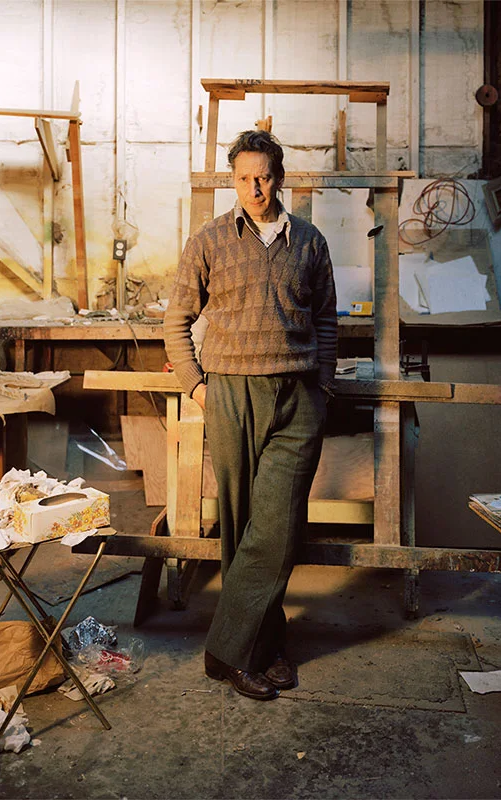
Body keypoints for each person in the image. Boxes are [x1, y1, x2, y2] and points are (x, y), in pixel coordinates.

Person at [163, 129, 337, 700]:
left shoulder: (309, 242)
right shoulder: (209, 240)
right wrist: (196, 386)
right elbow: (177, 321)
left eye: (263, 176)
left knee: (278, 527)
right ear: (232, 180)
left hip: (298, 394)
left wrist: (324, 387)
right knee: (241, 527)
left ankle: (225, 652)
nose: (254, 188)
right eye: (243, 178)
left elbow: (329, 321)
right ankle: (266, 645)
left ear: (279, 176)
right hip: (232, 393)